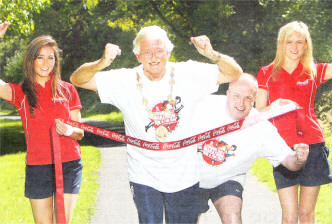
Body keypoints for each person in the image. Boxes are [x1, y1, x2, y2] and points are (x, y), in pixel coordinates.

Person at [70, 25, 242, 223]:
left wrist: (211, 54)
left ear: (168, 52)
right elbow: (78, 79)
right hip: (144, 175)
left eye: (159, 50)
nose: (154, 56)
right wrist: (102, 62)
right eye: (147, 52)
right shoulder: (124, 80)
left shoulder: (189, 73)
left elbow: (234, 73)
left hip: (184, 175)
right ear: (138, 56)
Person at [255, 21, 332, 224]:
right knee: (289, 217)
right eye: (289, 42)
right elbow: (258, 113)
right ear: (281, 43)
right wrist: (276, 106)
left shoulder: (312, 71)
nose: (294, 47)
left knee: (306, 215)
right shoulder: (266, 72)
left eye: (300, 42)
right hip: (283, 148)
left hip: (313, 145)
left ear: (306, 45)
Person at [193, 73, 309, 224]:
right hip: (193, 178)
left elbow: (289, 162)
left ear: (254, 100)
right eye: (236, 96)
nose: (241, 103)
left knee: (233, 218)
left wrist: (299, 158)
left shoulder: (261, 126)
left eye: (248, 98)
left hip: (229, 179)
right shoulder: (204, 106)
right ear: (227, 94)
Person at [0, 22, 84, 223]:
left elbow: (80, 133)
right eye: (40, 57)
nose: (46, 63)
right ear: (31, 61)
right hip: (38, 167)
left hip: (69, 164)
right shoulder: (20, 92)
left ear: (56, 62)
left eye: (50, 58)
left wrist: (69, 130)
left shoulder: (68, 90)